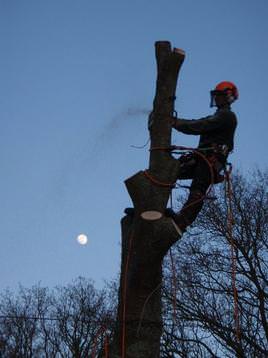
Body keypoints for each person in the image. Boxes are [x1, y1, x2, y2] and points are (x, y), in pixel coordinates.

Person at [166, 81, 238, 235]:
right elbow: (196, 122)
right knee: (170, 172)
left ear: (228, 97)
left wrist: (174, 123)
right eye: (215, 96)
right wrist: (177, 122)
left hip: (211, 160)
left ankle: (182, 221)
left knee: (198, 188)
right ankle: (154, 209)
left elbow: (199, 125)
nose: (216, 99)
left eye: (219, 96)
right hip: (201, 158)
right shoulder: (218, 116)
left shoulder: (227, 116)